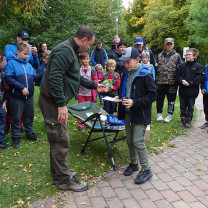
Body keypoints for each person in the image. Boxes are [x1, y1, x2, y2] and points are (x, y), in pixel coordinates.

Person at [38, 25, 104, 192]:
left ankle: (59, 174)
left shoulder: (70, 51)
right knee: (61, 141)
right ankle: (63, 180)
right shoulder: (64, 51)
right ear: (84, 40)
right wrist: (61, 105)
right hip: (53, 103)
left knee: (58, 140)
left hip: (55, 102)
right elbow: (54, 78)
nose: (89, 48)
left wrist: (95, 85)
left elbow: (76, 77)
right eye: (89, 44)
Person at [116, 47, 156, 184]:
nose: (125, 65)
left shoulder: (146, 74)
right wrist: (120, 97)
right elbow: (125, 89)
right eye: (124, 62)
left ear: (137, 60)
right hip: (128, 113)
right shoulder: (126, 73)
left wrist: (135, 102)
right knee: (129, 140)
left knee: (138, 141)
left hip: (140, 114)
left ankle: (146, 170)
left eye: (128, 62)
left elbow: (152, 96)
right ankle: (134, 164)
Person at [4, 42, 43, 148]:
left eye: (28, 54)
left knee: (29, 117)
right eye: (25, 54)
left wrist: (44, 73)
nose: (27, 56)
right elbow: (8, 78)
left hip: (29, 96)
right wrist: (21, 88)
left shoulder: (28, 65)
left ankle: (30, 134)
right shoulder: (11, 64)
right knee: (16, 118)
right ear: (18, 52)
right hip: (16, 97)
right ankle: (16, 138)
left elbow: (34, 77)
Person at [175, 48, 204, 128]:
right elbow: (177, 75)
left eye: (189, 54)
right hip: (183, 90)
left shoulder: (198, 66)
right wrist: (181, 81)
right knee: (183, 105)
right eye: (186, 54)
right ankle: (183, 119)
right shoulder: (181, 65)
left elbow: (200, 78)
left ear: (194, 56)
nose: (186, 56)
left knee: (191, 106)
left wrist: (190, 83)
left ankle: (189, 119)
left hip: (192, 91)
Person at [156, 38, 181, 122]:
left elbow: (179, 69)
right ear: (165, 44)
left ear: (173, 45)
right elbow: (156, 68)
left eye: (170, 44)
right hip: (160, 82)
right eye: (167, 44)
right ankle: (159, 114)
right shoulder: (159, 55)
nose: (169, 45)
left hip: (172, 82)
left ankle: (169, 115)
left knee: (171, 100)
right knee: (159, 99)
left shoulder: (177, 56)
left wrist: (178, 81)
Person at [77, 52, 98, 131]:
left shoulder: (92, 69)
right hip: (81, 93)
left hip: (90, 93)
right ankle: (81, 124)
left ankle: (89, 123)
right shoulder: (78, 69)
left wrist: (94, 84)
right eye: (84, 59)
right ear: (81, 60)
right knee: (81, 108)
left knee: (89, 108)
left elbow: (95, 79)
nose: (86, 61)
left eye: (87, 59)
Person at [0, 66, 9, 149]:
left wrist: (4, 101)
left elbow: (3, 88)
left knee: (2, 120)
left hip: (1, 102)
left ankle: (1, 141)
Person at [200, 64, 208, 129]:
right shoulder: (205, 67)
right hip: (206, 91)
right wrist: (202, 88)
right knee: (206, 107)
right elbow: (202, 78)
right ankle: (207, 121)